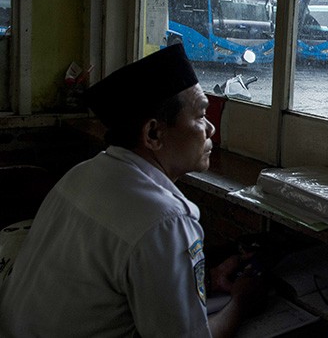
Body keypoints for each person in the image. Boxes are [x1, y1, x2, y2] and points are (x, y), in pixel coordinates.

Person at [0, 44, 267, 337]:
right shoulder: (165, 222)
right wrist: (242, 302)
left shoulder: (82, 174)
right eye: (201, 115)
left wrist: (201, 280)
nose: (210, 128)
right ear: (153, 133)